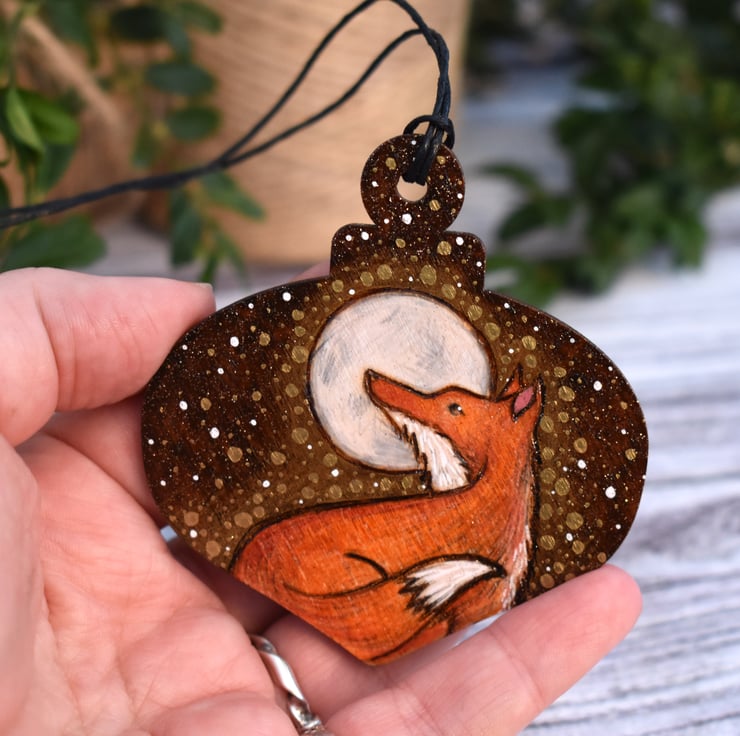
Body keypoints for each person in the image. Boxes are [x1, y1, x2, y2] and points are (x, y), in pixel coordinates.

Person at [0, 267, 641, 735]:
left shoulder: (482, 517)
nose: (402, 401)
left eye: (450, 408)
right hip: (297, 570)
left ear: (517, 416)